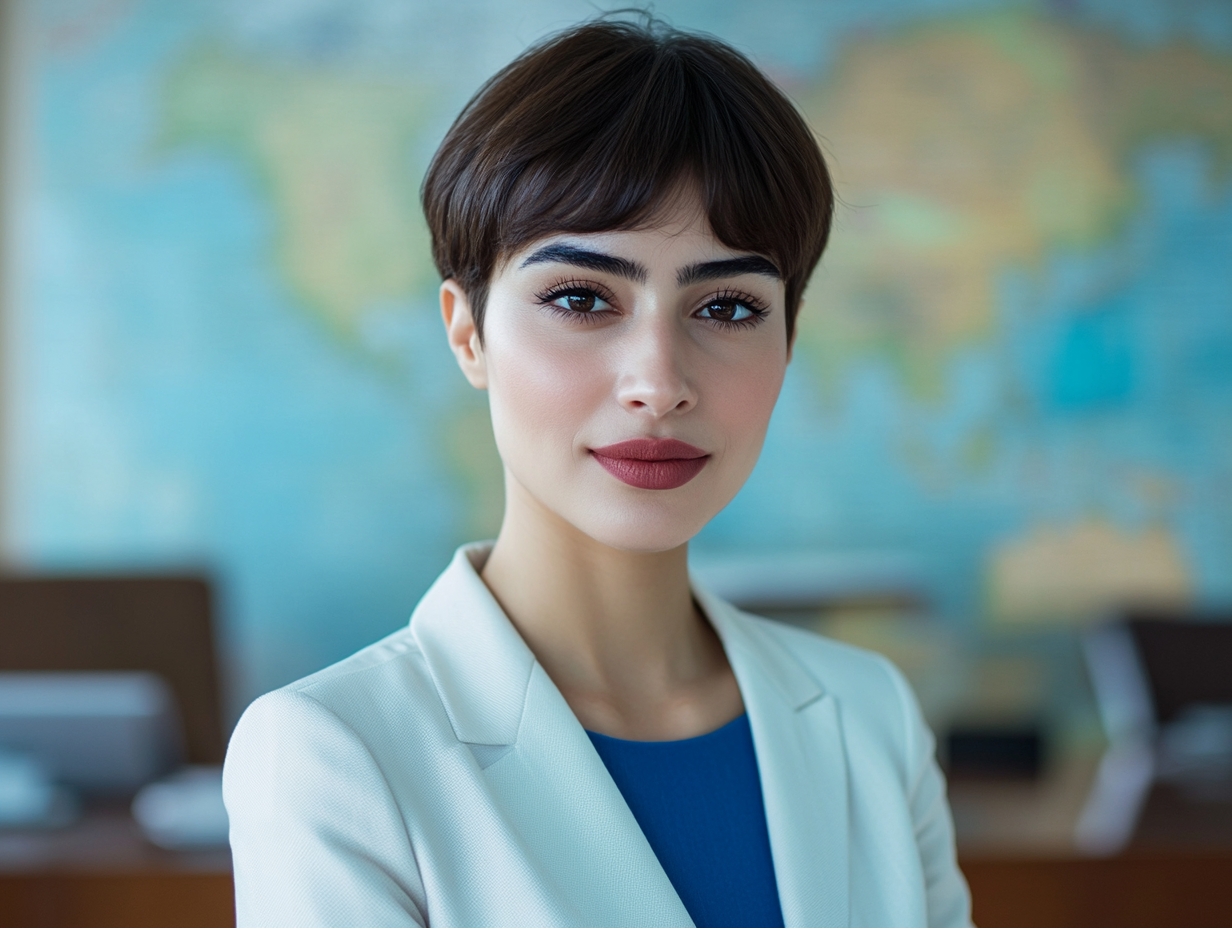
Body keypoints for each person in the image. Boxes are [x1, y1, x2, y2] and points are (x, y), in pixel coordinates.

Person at [224, 17, 973, 928]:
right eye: (581, 298)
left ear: (790, 338)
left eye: (730, 306)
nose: (658, 383)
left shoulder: (871, 718)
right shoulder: (334, 753)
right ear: (468, 332)